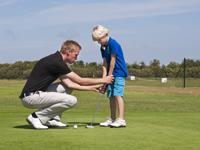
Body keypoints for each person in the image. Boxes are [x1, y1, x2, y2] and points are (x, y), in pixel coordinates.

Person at [19, 40, 114, 129]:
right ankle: (36, 117)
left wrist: (91, 88)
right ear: (68, 51)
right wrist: (104, 80)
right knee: (72, 100)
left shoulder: (57, 60)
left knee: (66, 87)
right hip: (31, 98)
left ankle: (53, 119)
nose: (76, 58)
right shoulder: (57, 62)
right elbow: (81, 80)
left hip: (37, 95)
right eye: (76, 55)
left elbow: (69, 84)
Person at [92, 25, 128, 128]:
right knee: (111, 95)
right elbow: (104, 63)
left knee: (117, 94)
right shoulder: (103, 47)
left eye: (99, 39)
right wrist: (104, 79)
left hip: (119, 72)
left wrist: (109, 75)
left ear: (105, 34)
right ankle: (112, 118)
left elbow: (112, 61)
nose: (98, 42)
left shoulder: (113, 44)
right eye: (97, 40)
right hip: (110, 74)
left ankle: (121, 119)